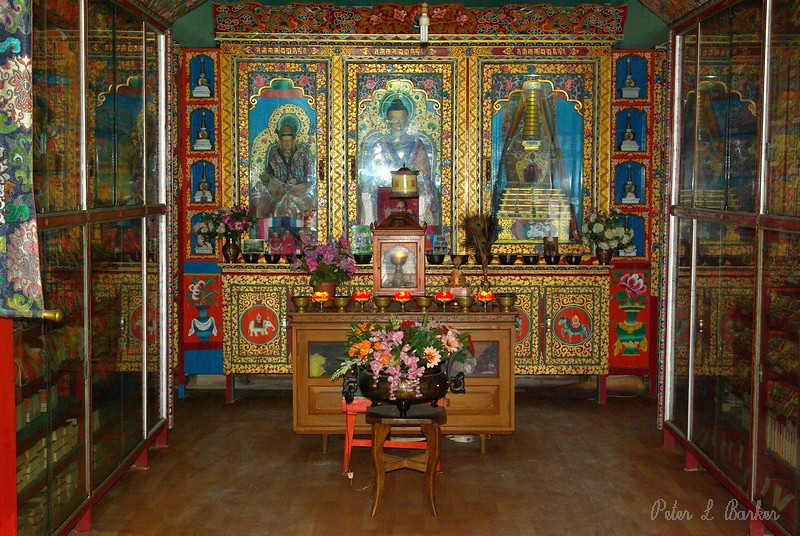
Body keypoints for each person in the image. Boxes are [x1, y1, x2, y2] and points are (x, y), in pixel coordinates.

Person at [360, 97, 439, 226]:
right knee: (368, 196)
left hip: (413, 190)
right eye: (394, 119)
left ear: (408, 119)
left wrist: (414, 176)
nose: (398, 123)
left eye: (402, 119)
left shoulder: (417, 143)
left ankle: (423, 233)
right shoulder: (379, 144)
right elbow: (374, 174)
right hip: (386, 190)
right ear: (387, 121)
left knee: (427, 195)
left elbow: (425, 172)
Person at [250, 115, 316, 220]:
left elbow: (309, 176)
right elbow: (269, 174)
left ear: (294, 140)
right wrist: (267, 179)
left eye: (289, 141)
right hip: (278, 191)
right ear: (279, 141)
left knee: (310, 193)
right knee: (260, 191)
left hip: (299, 192)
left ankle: (306, 227)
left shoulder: (302, 154)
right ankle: (264, 226)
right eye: (284, 141)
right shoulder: (274, 154)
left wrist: (298, 182)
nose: (287, 144)